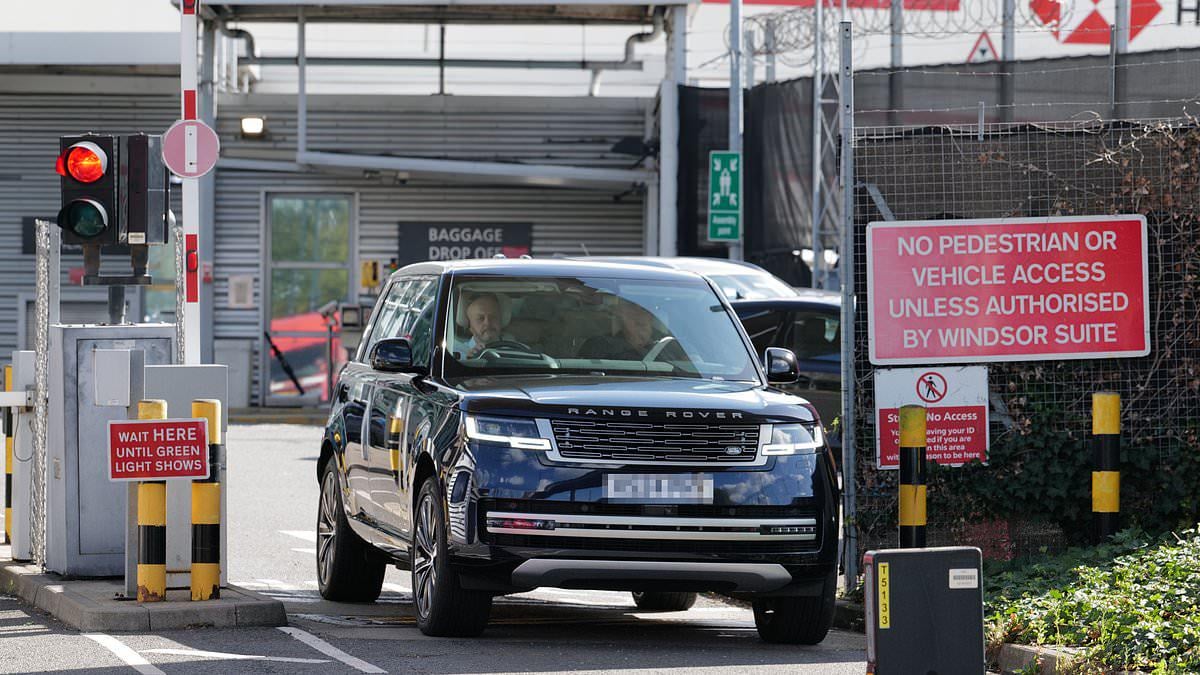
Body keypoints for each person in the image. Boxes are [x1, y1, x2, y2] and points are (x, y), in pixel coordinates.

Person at [578, 298, 680, 361]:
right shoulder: (598, 346)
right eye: (632, 307)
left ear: (652, 314)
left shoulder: (670, 345)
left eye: (644, 308)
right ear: (619, 313)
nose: (639, 313)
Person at [452, 292, 513, 358]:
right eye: (480, 318)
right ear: (470, 326)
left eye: (493, 317)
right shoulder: (456, 354)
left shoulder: (515, 352)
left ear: (500, 321)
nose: (487, 323)